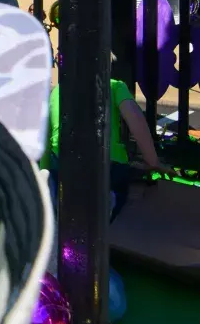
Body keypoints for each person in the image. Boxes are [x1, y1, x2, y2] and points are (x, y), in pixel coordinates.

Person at [48, 74, 165, 219]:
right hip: (107, 159)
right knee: (119, 185)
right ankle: (110, 198)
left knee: (58, 178)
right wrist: (153, 162)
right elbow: (135, 118)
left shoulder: (58, 90)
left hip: (63, 159)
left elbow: (46, 136)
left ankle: (55, 192)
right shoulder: (114, 86)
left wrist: (45, 168)